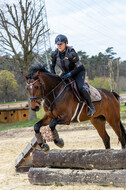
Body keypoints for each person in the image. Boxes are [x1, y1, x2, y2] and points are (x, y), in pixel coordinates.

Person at [50, 34, 95, 116]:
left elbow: (79, 67)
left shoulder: (72, 53)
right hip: (66, 72)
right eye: (58, 44)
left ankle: (91, 106)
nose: (59, 46)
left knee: (80, 88)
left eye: (61, 44)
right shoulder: (54, 54)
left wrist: (69, 75)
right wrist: (55, 77)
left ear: (66, 43)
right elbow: (51, 66)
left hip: (78, 72)